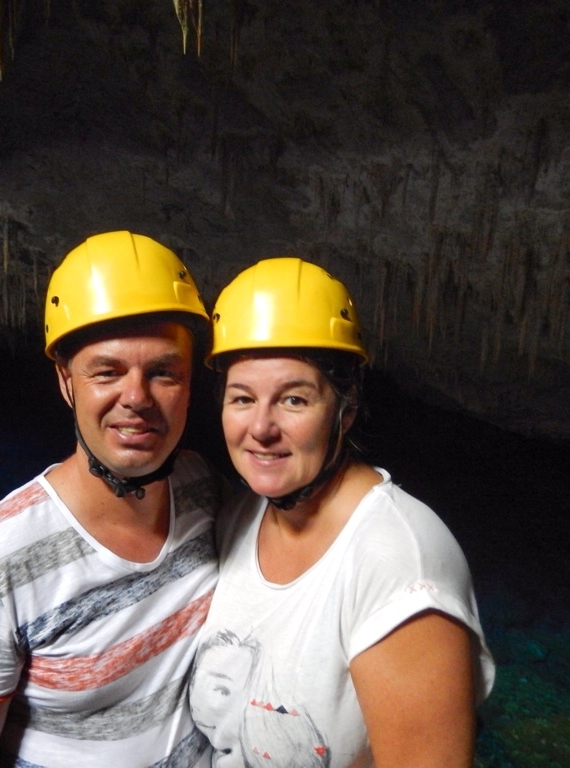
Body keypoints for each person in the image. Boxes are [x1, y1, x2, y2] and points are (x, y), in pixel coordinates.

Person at [0, 230, 222, 768]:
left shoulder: (203, 489)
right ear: (66, 382)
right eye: (107, 372)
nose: (136, 398)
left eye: (163, 373)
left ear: (189, 383)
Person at [188, 257, 495, 768]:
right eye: (242, 399)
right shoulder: (240, 517)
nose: (260, 428)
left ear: (345, 408)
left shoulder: (399, 563)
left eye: (293, 400)